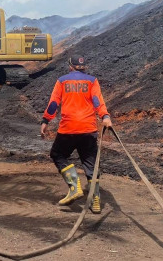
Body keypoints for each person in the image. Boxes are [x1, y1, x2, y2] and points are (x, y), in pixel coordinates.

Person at [40, 55, 113, 214]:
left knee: (58, 154)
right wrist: (105, 117)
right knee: (90, 163)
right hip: (88, 129)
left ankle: (74, 187)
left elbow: (54, 103)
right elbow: (97, 101)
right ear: (84, 66)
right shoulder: (92, 81)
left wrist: (45, 121)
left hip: (68, 128)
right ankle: (95, 199)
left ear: (70, 66)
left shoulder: (62, 81)